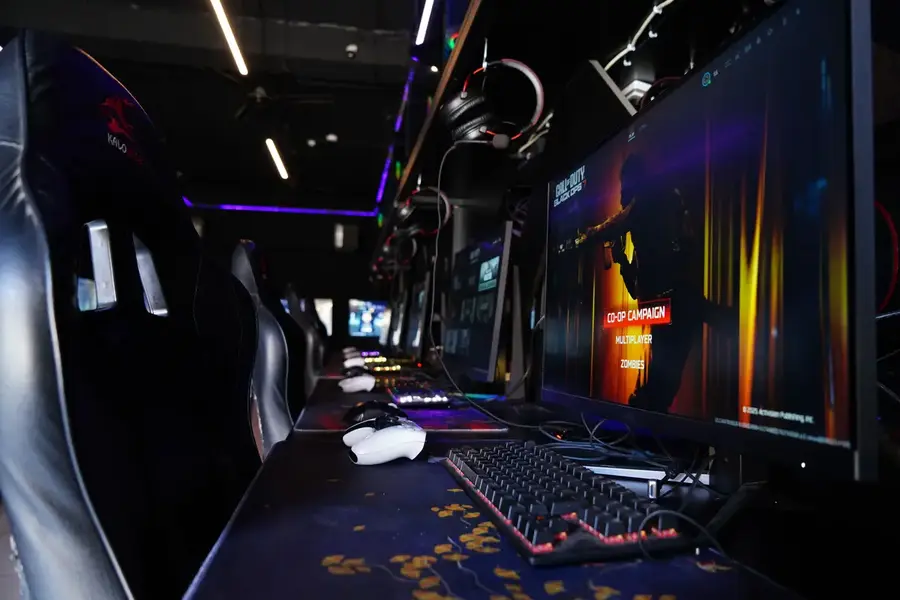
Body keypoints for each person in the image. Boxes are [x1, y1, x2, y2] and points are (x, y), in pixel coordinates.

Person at [584, 154, 734, 413]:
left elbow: (616, 224)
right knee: (661, 385)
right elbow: (636, 291)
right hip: (667, 306)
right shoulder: (649, 215)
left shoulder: (653, 199)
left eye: (625, 186)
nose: (622, 195)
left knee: (660, 386)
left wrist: (591, 234)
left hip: (676, 301)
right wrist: (621, 260)